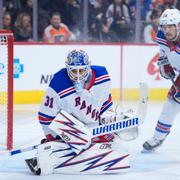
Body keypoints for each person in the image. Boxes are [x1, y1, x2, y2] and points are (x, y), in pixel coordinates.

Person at [25, 49, 140, 175]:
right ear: (68, 68)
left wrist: (109, 118)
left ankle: (61, 154)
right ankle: (52, 152)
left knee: (122, 151)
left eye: (82, 70)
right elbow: (44, 116)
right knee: (97, 153)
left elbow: (105, 103)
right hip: (70, 128)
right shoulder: (58, 83)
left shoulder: (103, 76)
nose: (78, 75)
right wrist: (57, 138)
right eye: (74, 71)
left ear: (88, 67)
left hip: (93, 127)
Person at [143, 8, 180, 152]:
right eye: (165, 26)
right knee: (170, 104)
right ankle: (158, 137)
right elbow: (163, 52)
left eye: (171, 26)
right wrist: (164, 63)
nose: (167, 30)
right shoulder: (162, 36)